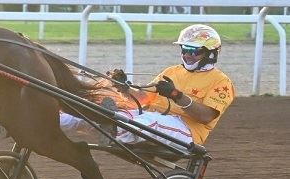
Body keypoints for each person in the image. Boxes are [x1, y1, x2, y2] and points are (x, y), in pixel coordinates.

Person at [61, 24, 235, 148]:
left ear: (210, 53)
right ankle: (54, 119)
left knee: (150, 122)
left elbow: (206, 116)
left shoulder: (221, 82)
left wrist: (176, 95)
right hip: (155, 115)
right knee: (102, 111)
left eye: (195, 51)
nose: (188, 55)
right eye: (184, 49)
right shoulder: (172, 71)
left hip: (187, 132)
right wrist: (124, 88)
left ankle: (113, 131)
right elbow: (144, 99)